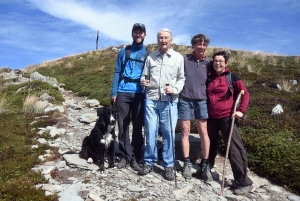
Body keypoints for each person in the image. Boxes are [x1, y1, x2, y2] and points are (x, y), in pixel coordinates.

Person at [138, 28, 185, 181]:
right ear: (157, 40)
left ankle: (169, 165)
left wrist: (174, 89)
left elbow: (181, 78)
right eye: (160, 38)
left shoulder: (178, 58)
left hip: (169, 101)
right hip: (151, 99)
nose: (163, 40)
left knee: (168, 133)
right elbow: (144, 76)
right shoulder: (151, 57)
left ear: (170, 40)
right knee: (151, 132)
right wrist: (143, 81)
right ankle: (149, 162)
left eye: (166, 38)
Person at [206, 49, 253, 195]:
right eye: (215, 61)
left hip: (228, 118)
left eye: (221, 61)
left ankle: (243, 181)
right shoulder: (209, 78)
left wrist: (241, 111)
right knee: (211, 145)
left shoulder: (232, 77)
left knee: (234, 149)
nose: (218, 63)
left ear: (226, 63)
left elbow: (244, 94)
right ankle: (206, 169)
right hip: (211, 118)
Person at [111, 23, 148, 171]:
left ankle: (136, 157)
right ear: (132, 34)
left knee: (138, 126)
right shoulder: (123, 51)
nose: (138, 34)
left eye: (141, 32)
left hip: (140, 93)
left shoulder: (148, 53)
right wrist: (114, 92)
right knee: (122, 124)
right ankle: (125, 156)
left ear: (144, 35)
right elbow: (116, 72)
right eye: (136, 32)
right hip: (123, 91)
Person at [178, 34, 213, 181]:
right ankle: (186, 163)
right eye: (199, 44)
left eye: (204, 44)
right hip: (185, 99)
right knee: (185, 131)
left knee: (203, 131)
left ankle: (205, 165)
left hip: (202, 100)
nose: (202, 47)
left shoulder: (209, 62)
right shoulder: (184, 59)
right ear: (193, 45)